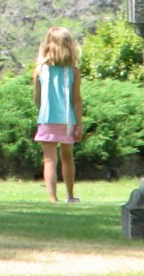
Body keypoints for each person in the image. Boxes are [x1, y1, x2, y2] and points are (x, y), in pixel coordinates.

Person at [32, 26, 84, 203]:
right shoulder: (73, 72)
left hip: (47, 119)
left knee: (49, 160)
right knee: (67, 158)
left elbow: (37, 97)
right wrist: (79, 123)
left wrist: (42, 112)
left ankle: (53, 198)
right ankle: (70, 195)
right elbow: (76, 99)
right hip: (67, 120)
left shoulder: (39, 70)